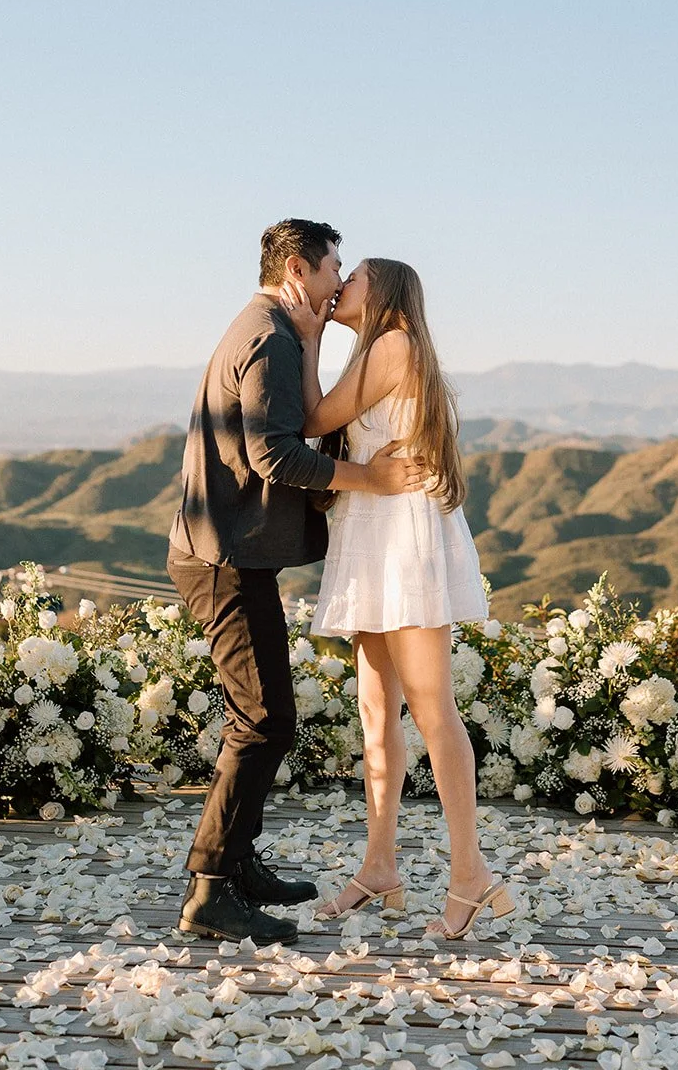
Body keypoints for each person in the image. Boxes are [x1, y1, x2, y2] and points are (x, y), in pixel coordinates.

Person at [167, 220, 427, 944]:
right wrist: (366, 478)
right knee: (261, 722)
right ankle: (210, 890)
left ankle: (237, 864)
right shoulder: (272, 338)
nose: (338, 280)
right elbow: (272, 454)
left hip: (230, 554)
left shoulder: (271, 328)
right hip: (220, 559)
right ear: (296, 269)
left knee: (264, 718)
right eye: (332, 266)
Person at [281, 257, 515, 940]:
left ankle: (470, 874)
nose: (337, 290)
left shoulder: (392, 344)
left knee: (431, 709)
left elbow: (314, 415)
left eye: (348, 279)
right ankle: (380, 866)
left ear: (379, 292)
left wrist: (307, 335)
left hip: (402, 536)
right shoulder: (384, 348)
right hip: (372, 530)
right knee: (375, 709)